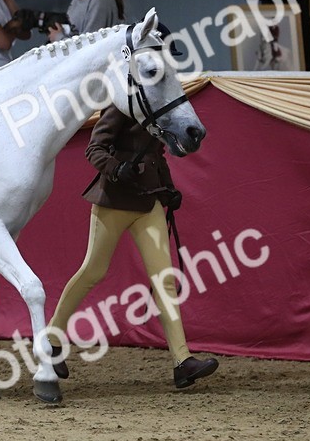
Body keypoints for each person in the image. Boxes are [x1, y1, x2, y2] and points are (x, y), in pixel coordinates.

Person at [48, 105, 220, 390]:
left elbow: (157, 156)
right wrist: (117, 169)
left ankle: (182, 360)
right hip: (114, 202)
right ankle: (51, 339)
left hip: (148, 203)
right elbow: (94, 149)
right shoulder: (119, 108)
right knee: (93, 271)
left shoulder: (157, 110)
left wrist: (168, 188)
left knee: (164, 280)